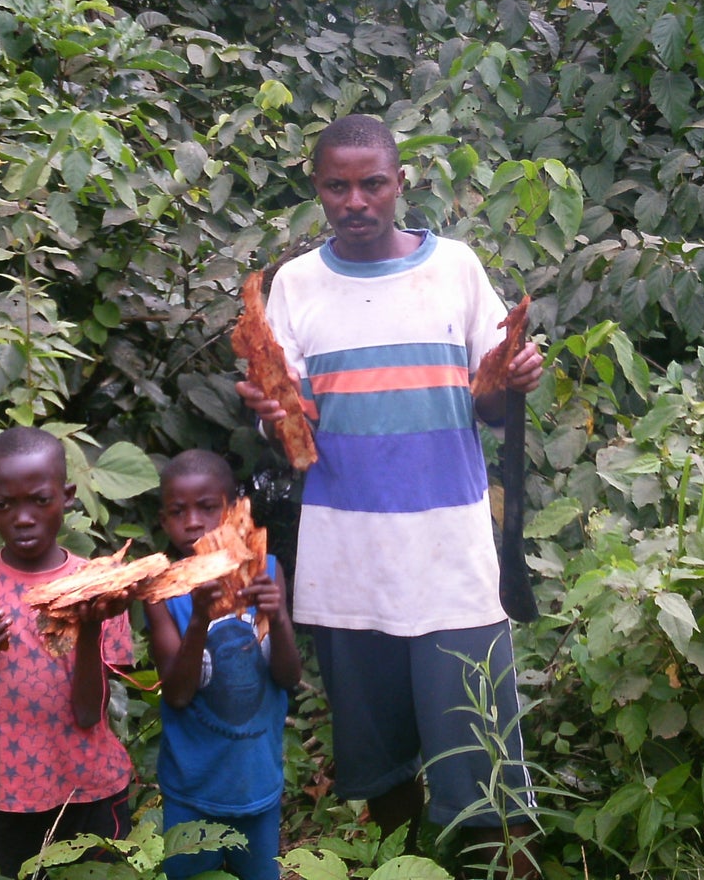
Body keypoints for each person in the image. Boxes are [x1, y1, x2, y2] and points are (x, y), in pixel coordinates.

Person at [234, 114, 544, 876]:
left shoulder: (457, 268)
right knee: (379, 768)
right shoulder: (295, 286)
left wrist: (511, 380)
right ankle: (407, 866)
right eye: (336, 186)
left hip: (453, 563)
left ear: (400, 183)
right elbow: (293, 437)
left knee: (482, 768)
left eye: (372, 183)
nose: (355, 201)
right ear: (318, 190)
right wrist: (275, 415)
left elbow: (488, 402)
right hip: (351, 567)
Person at [0, 426, 134, 878]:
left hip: (95, 792)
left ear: (67, 496)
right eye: (5, 504)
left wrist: (90, 628)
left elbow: (92, 714)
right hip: (16, 800)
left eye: (40, 499)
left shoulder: (96, 587)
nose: (23, 517)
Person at [144, 450, 301, 880]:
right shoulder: (161, 593)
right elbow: (177, 693)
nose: (193, 521)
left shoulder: (267, 570)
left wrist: (281, 617)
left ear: (235, 511)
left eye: (208, 507)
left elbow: (289, 677)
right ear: (163, 520)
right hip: (192, 788)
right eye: (178, 511)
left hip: (256, 782)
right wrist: (199, 618)